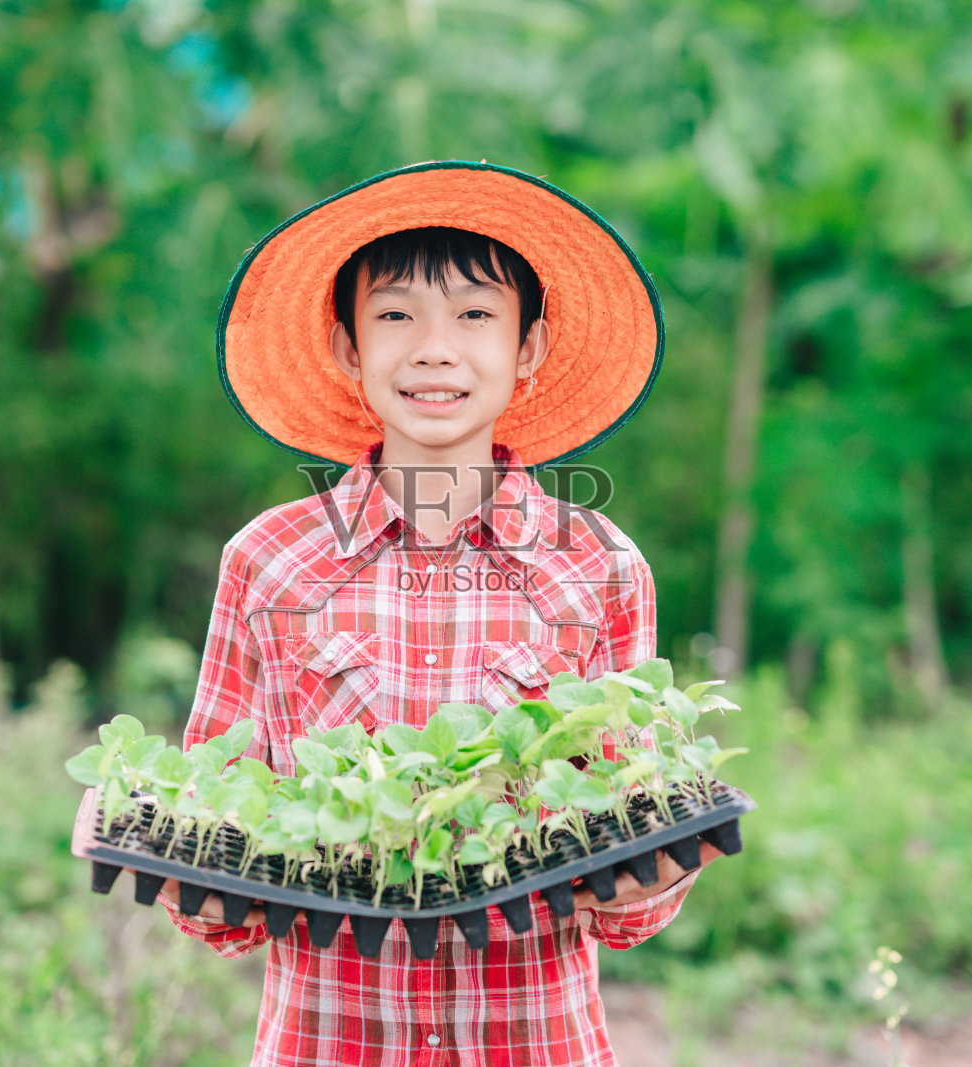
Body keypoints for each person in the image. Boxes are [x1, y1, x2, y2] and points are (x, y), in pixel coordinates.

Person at [156, 161, 724, 1066]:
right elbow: (213, 823)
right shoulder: (268, 563)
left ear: (528, 347)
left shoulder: (601, 568)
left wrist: (648, 877)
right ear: (348, 348)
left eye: (473, 315)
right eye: (394, 316)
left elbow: (632, 880)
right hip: (327, 1040)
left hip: (535, 1041)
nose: (433, 348)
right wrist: (209, 882)